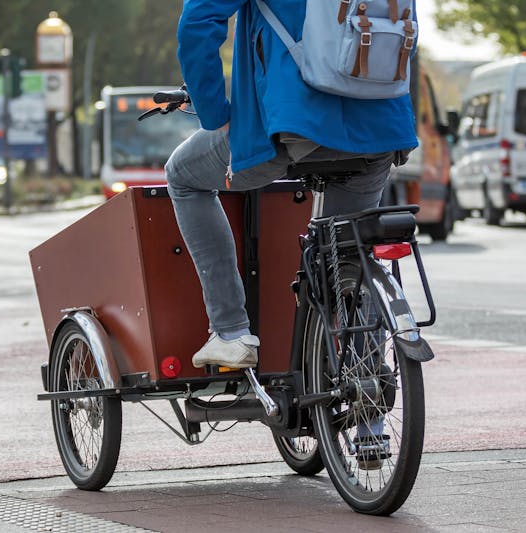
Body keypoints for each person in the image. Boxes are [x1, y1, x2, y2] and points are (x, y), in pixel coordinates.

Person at [166, 0, 418, 370]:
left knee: (183, 176)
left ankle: (231, 331)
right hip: (383, 126)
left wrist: (215, 114)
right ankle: (370, 414)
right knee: (349, 252)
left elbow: (198, 22)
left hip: (293, 123)